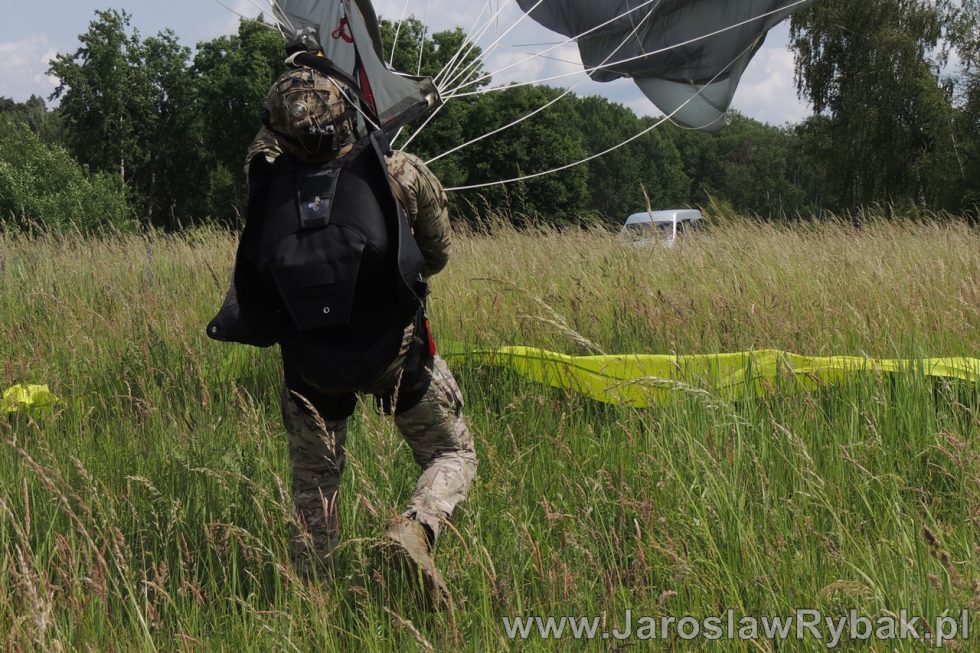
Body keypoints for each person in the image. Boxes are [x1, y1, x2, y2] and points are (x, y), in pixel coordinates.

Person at [208, 65, 477, 604]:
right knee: (453, 455)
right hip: (395, 356)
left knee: (315, 484)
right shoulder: (400, 171)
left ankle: (315, 599)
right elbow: (438, 256)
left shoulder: (265, 178)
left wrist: (291, 79)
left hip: (311, 366)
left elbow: (263, 142)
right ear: (347, 112)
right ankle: (418, 525)